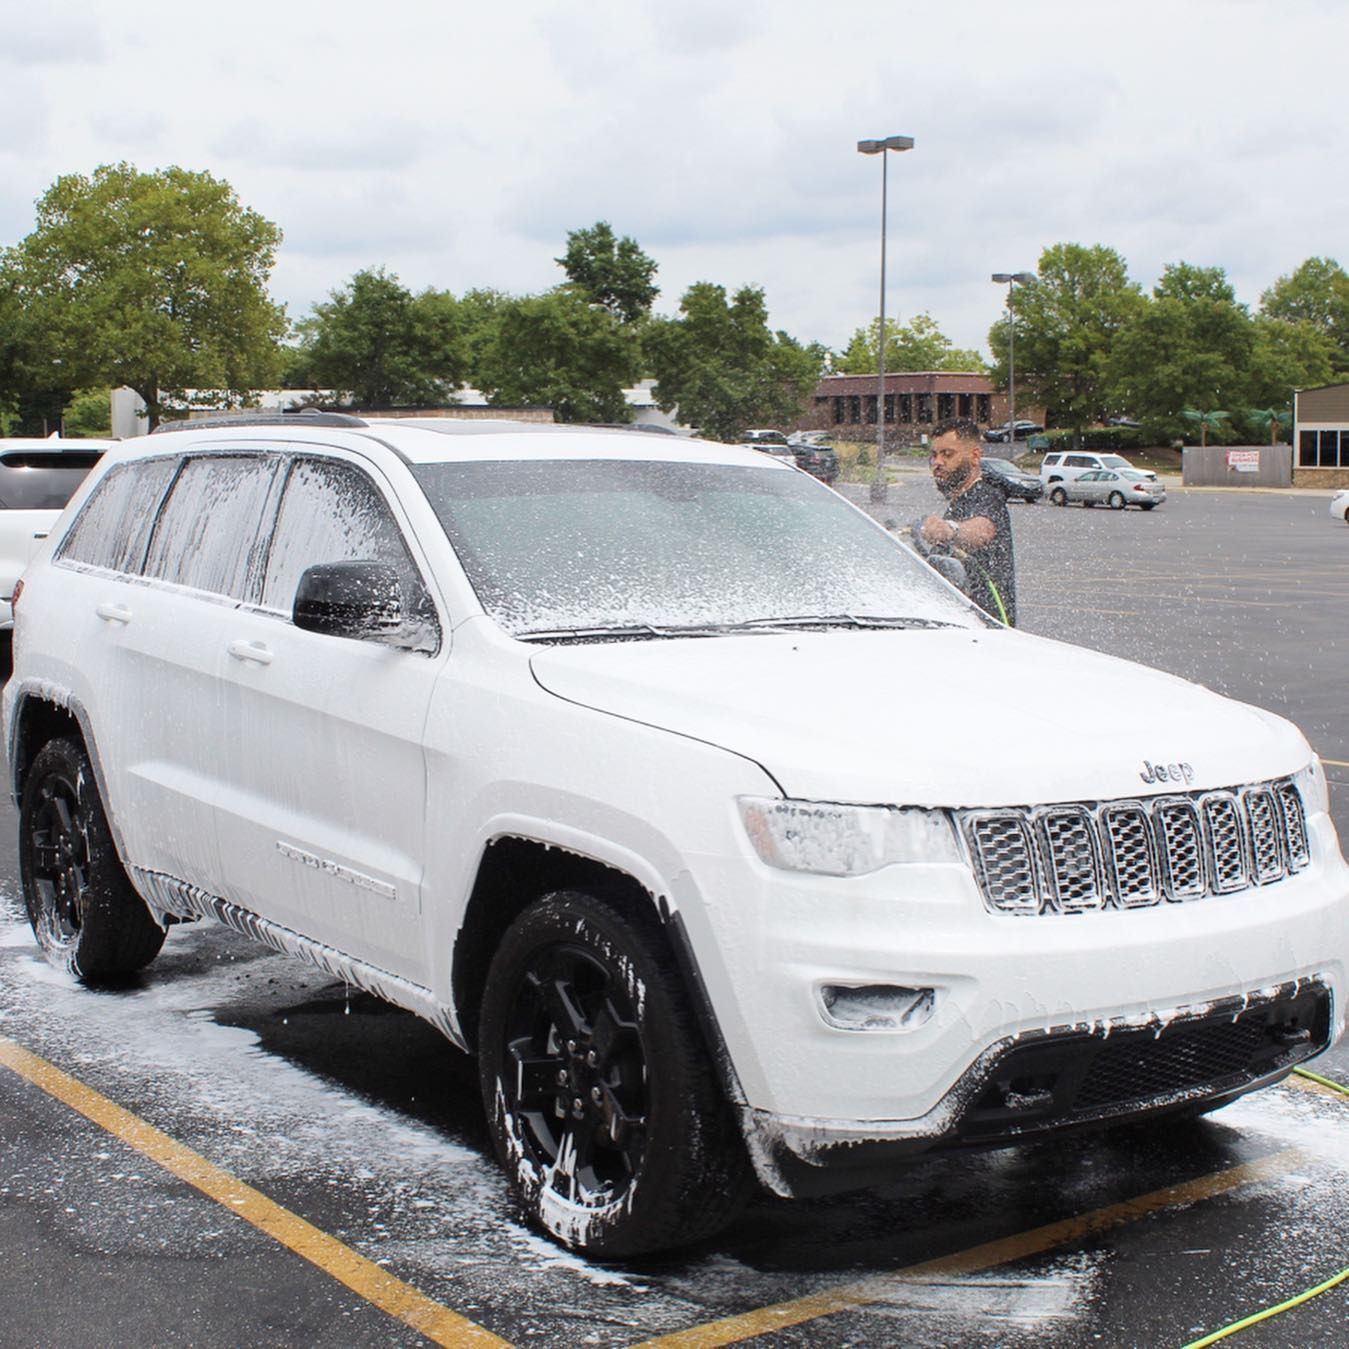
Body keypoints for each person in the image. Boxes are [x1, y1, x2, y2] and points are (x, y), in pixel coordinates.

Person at [920, 417, 1017, 625]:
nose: (938, 462)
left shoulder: (987, 495)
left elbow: (983, 530)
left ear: (975, 456)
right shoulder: (960, 500)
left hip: (987, 631)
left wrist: (950, 530)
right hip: (963, 625)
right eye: (934, 455)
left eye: (948, 454)